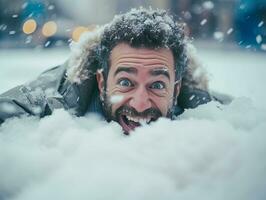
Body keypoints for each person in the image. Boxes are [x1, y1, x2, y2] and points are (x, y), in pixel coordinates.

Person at [0, 8, 230, 134]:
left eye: (157, 85)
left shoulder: (217, 113)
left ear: (176, 89)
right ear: (102, 82)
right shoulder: (48, 99)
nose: (140, 105)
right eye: (126, 82)